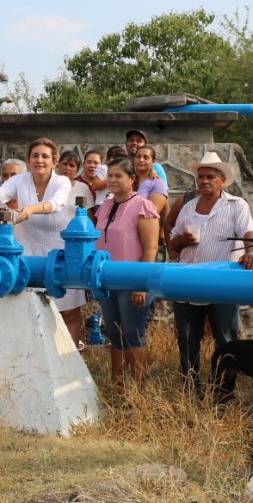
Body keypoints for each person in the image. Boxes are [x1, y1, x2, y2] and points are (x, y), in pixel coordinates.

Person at [168, 151, 253, 393]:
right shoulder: (188, 207)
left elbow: (248, 232)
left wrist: (251, 253)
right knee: (187, 341)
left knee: (226, 341)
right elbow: (172, 242)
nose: (204, 181)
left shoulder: (236, 205)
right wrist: (181, 241)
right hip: (187, 283)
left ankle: (224, 391)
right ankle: (191, 390)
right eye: (201, 177)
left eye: (210, 177)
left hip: (222, 284)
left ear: (222, 181)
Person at [0, 138, 84, 341]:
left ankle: (71, 365)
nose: (40, 160)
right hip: (28, 257)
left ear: (54, 161)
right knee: (30, 312)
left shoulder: (62, 181)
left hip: (59, 255)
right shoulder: (19, 180)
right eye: (35, 156)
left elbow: (56, 203)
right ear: (28, 160)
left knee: (68, 313)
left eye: (45, 156)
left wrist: (31, 209)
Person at [94, 159, 160, 389]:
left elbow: (151, 248)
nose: (112, 180)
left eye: (118, 175)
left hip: (133, 280)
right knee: (114, 333)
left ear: (132, 179)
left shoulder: (143, 205)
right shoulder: (104, 206)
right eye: (109, 175)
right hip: (107, 280)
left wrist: (141, 284)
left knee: (133, 333)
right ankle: (119, 386)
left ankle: (138, 390)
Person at [133, 145, 170, 219]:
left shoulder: (157, 183)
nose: (141, 160)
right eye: (138, 156)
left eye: (146, 157)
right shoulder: (127, 178)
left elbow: (152, 214)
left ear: (153, 162)